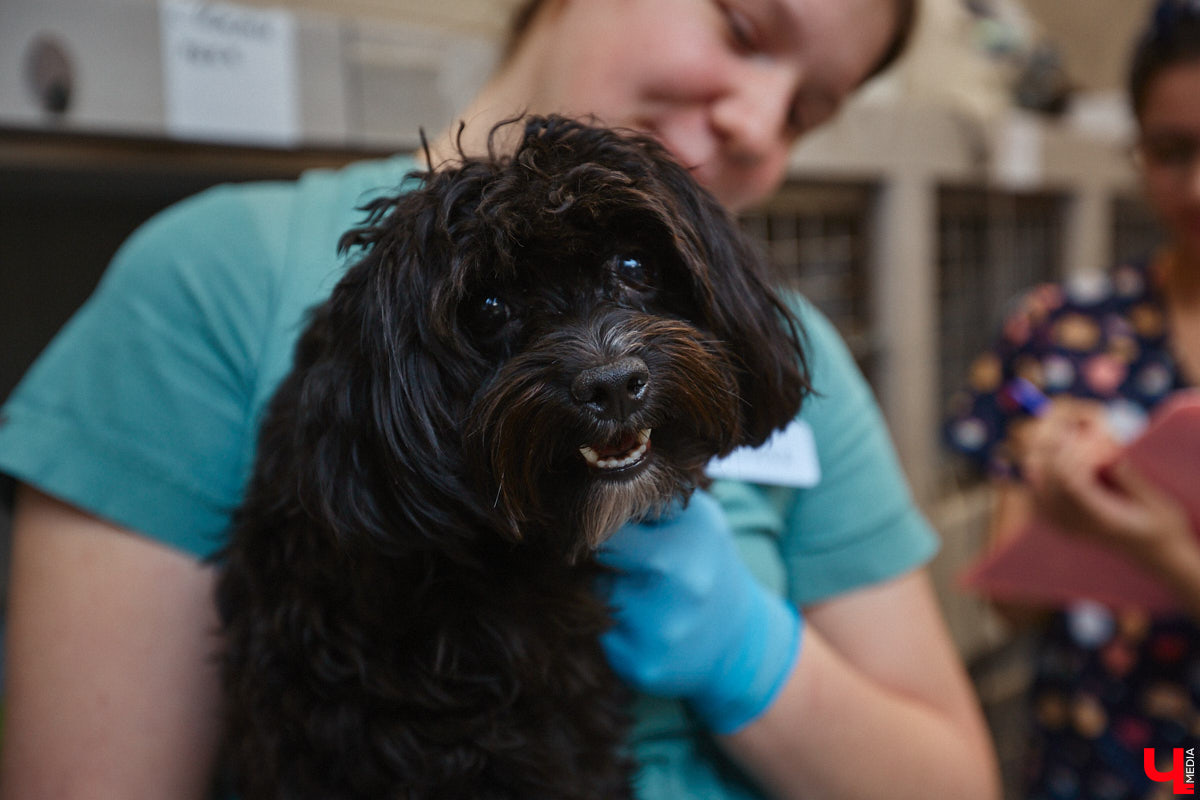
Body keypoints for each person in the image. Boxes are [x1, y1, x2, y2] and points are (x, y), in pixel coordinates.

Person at [0, 1, 1000, 798]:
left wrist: (755, 660)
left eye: (808, 109)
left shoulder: (780, 333)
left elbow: (958, 780)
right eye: (742, 26)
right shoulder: (220, 276)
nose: (756, 120)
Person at [945, 1, 1200, 797]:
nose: (1198, 186)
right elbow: (1014, 609)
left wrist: (1161, 551)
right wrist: (1057, 502)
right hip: (1092, 762)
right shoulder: (1063, 327)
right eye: (1171, 151)